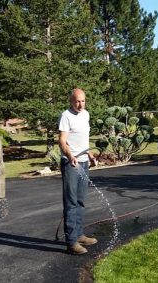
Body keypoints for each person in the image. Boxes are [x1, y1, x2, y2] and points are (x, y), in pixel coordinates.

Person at [58, 88, 98, 255]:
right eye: (77, 101)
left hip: (83, 162)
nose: (80, 104)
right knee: (71, 202)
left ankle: (80, 234)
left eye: (83, 101)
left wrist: (89, 154)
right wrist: (70, 155)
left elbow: (84, 139)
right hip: (71, 164)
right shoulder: (66, 116)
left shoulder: (86, 114)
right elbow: (62, 141)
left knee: (81, 200)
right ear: (71, 101)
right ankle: (72, 242)